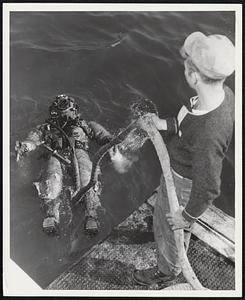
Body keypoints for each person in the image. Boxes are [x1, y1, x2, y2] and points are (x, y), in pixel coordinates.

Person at [133, 32, 235, 286]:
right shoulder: (221, 96)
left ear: (193, 76)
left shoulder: (208, 135)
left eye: (187, 62)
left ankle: (168, 270)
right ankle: (166, 227)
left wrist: (186, 217)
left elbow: (209, 187)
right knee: (165, 216)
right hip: (178, 171)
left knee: (171, 228)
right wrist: (162, 123)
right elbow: (185, 124)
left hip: (183, 183)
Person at [15, 94, 114, 236]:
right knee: (51, 178)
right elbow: (32, 140)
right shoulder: (45, 128)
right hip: (55, 154)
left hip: (79, 153)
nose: (65, 113)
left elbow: (103, 136)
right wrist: (25, 146)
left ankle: (91, 214)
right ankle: (51, 215)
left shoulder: (86, 125)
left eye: (67, 107)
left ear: (74, 110)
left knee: (86, 175)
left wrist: (111, 144)